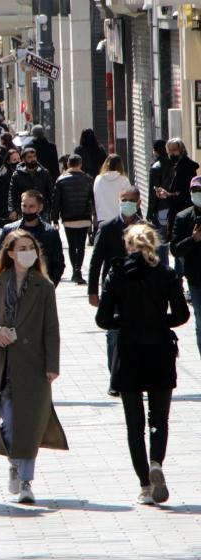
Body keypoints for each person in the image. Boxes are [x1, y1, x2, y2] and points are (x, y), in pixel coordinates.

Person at [97, 224, 189, 505]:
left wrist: (123, 322)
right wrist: (161, 321)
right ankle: (156, 462)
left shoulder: (116, 273)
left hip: (129, 352)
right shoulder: (166, 273)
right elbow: (182, 314)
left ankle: (145, 486)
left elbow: (102, 319)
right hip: (160, 349)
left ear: (128, 245)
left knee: (133, 423)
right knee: (159, 419)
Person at [0, 229, 68, 504]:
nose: (27, 253)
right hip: (5, 362)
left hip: (34, 362)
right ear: (10, 253)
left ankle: (26, 481)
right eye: (21, 248)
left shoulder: (43, 286)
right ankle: (13, 460)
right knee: (8, 420)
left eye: (30, 247)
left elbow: (52, 327)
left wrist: (52, 364)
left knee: (30, 423)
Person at [88, 186, 144, 395]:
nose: (127, 203)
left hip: (139, 290)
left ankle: (135, 376)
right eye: (123, 199)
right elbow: (96, 261)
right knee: (114, 334)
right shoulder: (109, 227)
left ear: (138, 203)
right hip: (112, 289)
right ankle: (115, 378)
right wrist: (92, 290)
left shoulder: (145, 228)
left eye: (131, 200)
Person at [1, 191, 65, 286]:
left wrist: (49, 286)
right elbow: (1, 259)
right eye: (24, 206)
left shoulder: (50, 233)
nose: (27, 210)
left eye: (31, 206)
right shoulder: (9, 230)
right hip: (14, 286)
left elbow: (58, 263)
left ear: (40, 207)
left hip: (41, 286)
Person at [169, 176, 201, 358]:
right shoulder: (183, 218)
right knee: (200, 322)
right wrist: (193, 239)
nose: (198, 195)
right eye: (195, 191)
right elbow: (175, 249)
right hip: (196, 279)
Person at [51, 154, 94, 284]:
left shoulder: (61, 180)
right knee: (81, 246)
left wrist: (54, 218)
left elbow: (56, 201)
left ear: (68, 164)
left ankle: (75, 271)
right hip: (84, 217)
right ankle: (78, 270)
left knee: (71, 245)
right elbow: (92, 199)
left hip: (68, 218)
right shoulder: (88, 179)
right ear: (80, 164)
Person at [148, 139, 174, 265]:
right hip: (174, 206)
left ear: (155, 151)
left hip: (161, 208)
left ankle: (164, 270)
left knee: (162, 242)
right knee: (174, 241)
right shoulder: (174, 164)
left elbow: (153, 194)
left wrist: (149, 212)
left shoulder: (155, 167)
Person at [8, 148, 53, 219]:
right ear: (23, 159)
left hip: (42, 212)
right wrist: (12, 210)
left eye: (34, 156)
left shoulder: (44, 173)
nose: (33, 159)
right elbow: (12, 194)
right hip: (24, 212)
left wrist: (53, 212)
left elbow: (50, 193)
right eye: (29, 157)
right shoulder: (17, 175)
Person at [93, 154, 132, 225]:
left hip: (102, 218)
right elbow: (129, 200)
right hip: (120, 219)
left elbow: (96, 198)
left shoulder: (98, 179)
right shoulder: (124, 180)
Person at [0, 149, 21, 229]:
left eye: (18, 159)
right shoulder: (3, 177)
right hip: (6, 215)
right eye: (14, 160)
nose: (17, 162)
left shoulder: (24, 174)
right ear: (8, 161)